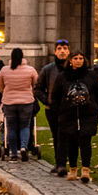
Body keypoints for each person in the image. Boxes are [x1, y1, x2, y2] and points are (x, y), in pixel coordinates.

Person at [48, 50, 98, 183]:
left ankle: (85, 170)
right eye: (76, 58)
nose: (79, 60)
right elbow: (56, 95)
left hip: (88, 114)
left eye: (81, 58)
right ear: (70, 60)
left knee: (86, 142)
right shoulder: (63, 76)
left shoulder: (91, 75)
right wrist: (59, 110)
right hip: (68, 114)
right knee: (72, 143)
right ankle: (73, 169)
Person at [0, 48, 40, 162]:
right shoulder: (30, 70)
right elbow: (36, 84)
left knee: (11, 127)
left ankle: (13, 153)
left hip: (9, 102)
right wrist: (30, 92)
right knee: (24, 126)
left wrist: (6, 92)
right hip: (26, 102)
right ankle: (24, 147)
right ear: (23, 57)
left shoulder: (4, 70)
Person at [36, 40, 72, 174]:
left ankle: (62, 163)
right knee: (56, 135)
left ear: (68, 51)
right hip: (52, 109)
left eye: (65, 48)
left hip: (69, 109)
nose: (62, 51)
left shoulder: (73, 68)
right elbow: (38, 88)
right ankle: (59, 163)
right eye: (60, 49)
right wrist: (47, 101)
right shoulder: (47, 69)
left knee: (65, 135)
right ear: (55, 51)